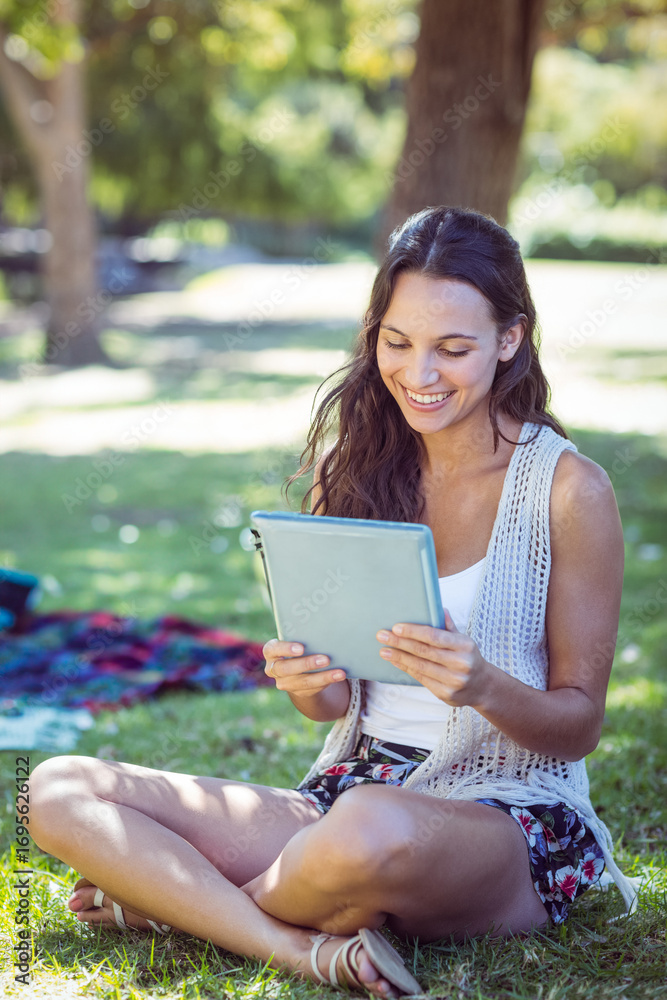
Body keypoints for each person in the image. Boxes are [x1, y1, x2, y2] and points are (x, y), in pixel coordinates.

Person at [28, 206, 637, 998]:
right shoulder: (350, 472)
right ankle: (305, 950)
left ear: (509, 339)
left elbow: (579, 725)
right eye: (396, 342)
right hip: (347, 796)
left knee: (367, 829)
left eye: (452, 349)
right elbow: (334, 706)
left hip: (506, 816)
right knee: (52, 790)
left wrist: (482, 685)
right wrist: (313, 684)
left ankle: (171, 905)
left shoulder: (567, 491)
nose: (420, 375)